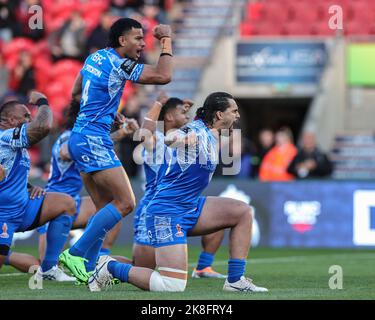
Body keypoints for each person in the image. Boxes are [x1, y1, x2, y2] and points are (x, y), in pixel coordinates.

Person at [88, 92, 268, 293]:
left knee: (242, 211)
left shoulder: (208, 132)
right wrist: (178, 139)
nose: (238, 115)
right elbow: (173, 137)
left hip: (189, 205)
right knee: (170, 284)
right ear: (219, 115)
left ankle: (235, 280)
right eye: (234, 111)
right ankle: (108, 267)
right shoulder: (195, 132)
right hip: (166, 211)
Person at [59, 17, 173, 284]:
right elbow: (163, 75)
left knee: (104, 210)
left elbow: (76, 93)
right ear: (122, 40)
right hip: (93, 140)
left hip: (79, 136)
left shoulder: (95, 58)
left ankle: (87, 269)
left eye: (145, 38)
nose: (143, 44)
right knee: (125, 203)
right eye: (138, 38)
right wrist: (166, 40)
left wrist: (105, 113)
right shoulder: (120, 63)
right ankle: (75, 254)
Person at [5, 98, 138, 276]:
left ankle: (98, 257)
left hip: (71, 201)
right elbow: (66, 151)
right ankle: (75, 260)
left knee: (113, 209)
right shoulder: (71, 136)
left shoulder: (82, 137)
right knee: (43, 265)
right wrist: (119, 135)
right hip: (54, 200)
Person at [132, 94, 225, 279]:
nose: (187, 115)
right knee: (144, 269)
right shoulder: (157, 140)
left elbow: (203, 129)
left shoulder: (188, 136)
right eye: (183, 112)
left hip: (183, 204)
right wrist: (159, 103)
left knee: (222, 217)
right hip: (157, 206)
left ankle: (203, 268)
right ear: (169, 117)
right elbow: (144, 135)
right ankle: (102, 264)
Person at [0, 92, 77, 282]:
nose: (30, 119)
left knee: (65, 203)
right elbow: (43, 126)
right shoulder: (6, 136)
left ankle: (50, 268)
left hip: (24, 207)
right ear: (11, 120)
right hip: (4, 216)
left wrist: (28, 186)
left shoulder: (13, 144)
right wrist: (43, 102)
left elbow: (8, 172)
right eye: (26, 116)